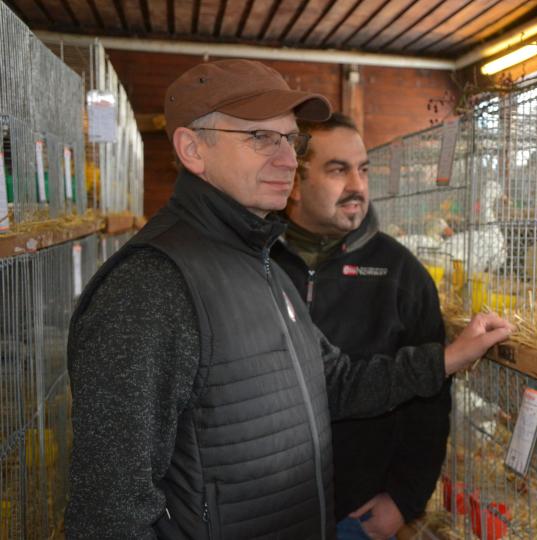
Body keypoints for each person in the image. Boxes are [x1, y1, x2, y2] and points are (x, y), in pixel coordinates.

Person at [65, 59, 511, 539]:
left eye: (289, 140)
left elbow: (334, 381)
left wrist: (447, 359)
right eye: (260, 138)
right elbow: (109, 510)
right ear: (193, 150)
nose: (286, 159)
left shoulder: (262, 264)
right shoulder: (152, 287)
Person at [271, 113, 447, 539]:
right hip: (267, 509)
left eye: (363, 169)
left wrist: (405, 499)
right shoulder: (256, 265)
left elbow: (432, 404)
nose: (357, 186)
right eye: (338, 170)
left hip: (361, 511)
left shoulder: (400, 274)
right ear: (296, 180)